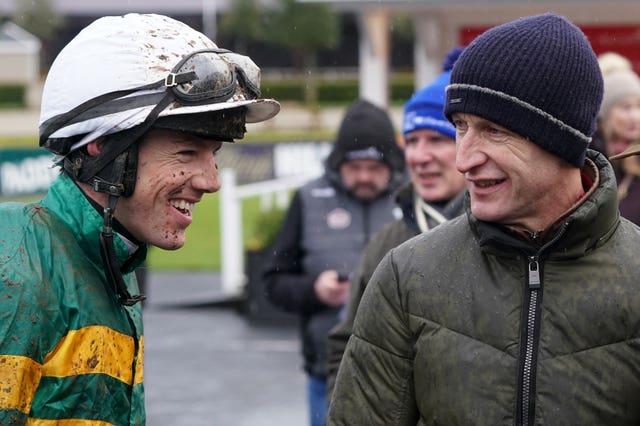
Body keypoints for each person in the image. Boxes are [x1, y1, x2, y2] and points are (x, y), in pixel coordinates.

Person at [327, 13, 640, 425]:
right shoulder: (408, 277)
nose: (464, 159)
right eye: (460, 126)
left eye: (493, 130)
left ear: (560, 139)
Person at [0, 13, 279, 425]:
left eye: (213, 157)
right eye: (186, 153)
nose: (211, 182)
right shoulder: (17, 272)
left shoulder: (113, 262)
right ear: (101, 145)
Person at [325, 49, 467, 398]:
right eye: (413, 141)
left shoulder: (512, 233)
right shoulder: (388, 241)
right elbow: (348, 349)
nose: (420, 157)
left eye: (436, 140)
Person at [263, 98, 405, 426]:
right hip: (326, 372)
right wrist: (315, 291)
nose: (365, 177)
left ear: (393, 164)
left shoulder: (415, 201)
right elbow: (272, 282)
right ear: (337, 163)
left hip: (402, 373)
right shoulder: (309, 199)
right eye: (354, 168)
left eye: (375, 168)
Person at [595, 68, 640, 225]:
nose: (635, 116)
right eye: (626, 107)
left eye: (639, 106)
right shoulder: (591, 157)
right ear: (606, 113)